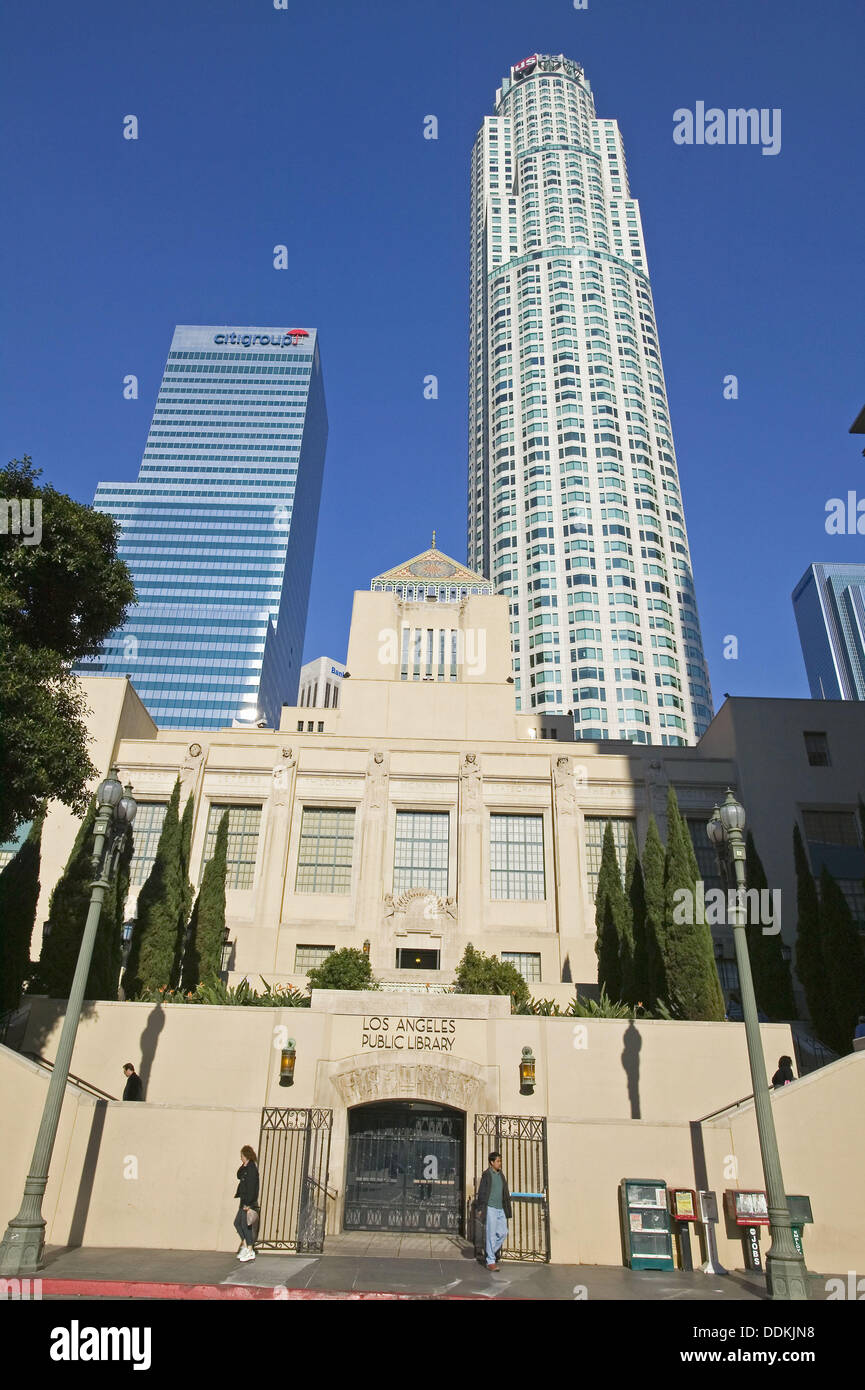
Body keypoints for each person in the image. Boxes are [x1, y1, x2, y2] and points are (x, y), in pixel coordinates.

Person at [476, 1151, 512, 1272]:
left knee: (503, 1233)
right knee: (491, 1234)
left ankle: (489, 1252)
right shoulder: (487, 1174)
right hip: (490, 1207)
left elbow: (505, 1191)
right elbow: (482, 1191)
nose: (500, 1163)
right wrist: (480, 1208)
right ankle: (490, 1260)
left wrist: (507, 1206)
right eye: (498, 1161)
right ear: (492, 1162)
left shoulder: (501, 1174)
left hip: (500, 1208)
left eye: (500, 1161)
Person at [234, 1145, 260, 1261]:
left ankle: (250, 1250)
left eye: (242, 1156)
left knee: (245, 1226)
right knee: (237, 1223)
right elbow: (238, 1175)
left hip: (247, 1202)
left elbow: (252, 1187)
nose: (241, 1158)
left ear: (246, 1155)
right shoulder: (246, 1167)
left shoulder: (252, 1169)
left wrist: (248, 1204)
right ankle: (245, 1246)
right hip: (243, 1201)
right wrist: (243, 1165)